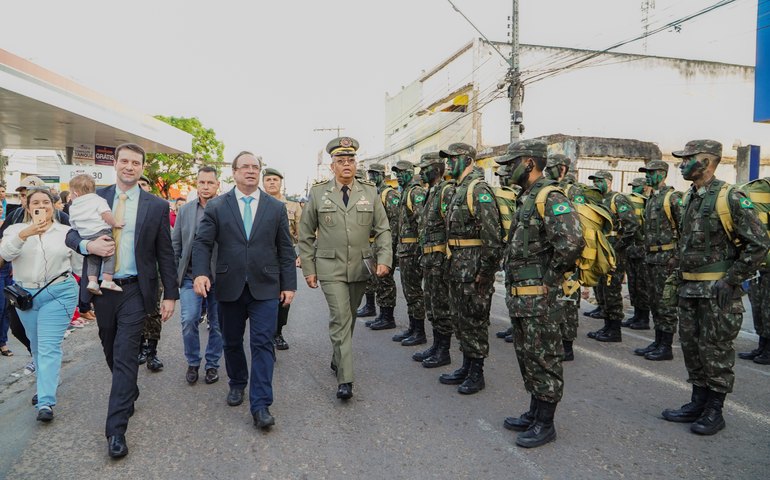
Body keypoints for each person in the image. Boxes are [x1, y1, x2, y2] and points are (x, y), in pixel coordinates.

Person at [65, 143, 178, 458]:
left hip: (135, 290)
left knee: (127, 353)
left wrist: (170, 294)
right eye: (124, 161)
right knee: (110, 347)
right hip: (101, 289)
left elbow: (165, 254)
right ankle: (128, 389)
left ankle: (115, 431)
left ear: (143, 167)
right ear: (114, 164)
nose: (130, 166)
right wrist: (89, 247)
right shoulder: (95, 197)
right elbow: (69, 234)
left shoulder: (156, 206)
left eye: (136, 162)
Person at [662, 139, 769, 435]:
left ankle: (714, 410)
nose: (682, 164)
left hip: (717, 292)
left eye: (687, 159)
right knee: (692, 348)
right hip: (689, 291)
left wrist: (732, 279)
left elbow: (758, 243)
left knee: (716, 350)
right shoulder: (688, 198)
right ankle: (697, 402)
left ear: (707, 162)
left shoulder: (731, 197)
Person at [192, 151, 296, 430]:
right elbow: (202, 243)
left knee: (263, 343)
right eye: (244, 167)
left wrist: (289, 284)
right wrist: (201, 272)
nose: (250, 171)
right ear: (234, 172)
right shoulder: (217, 206)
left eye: (255, 167)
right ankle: (237, 382)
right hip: (229, 286)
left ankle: (261, 403)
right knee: (231, 341)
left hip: (266, 287)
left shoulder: (275, 208)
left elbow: (285, 249)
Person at [496, 139, 584, 448]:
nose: (505, 169)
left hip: (540, 297)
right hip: (523, 295)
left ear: (529, 163)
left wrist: (550, 279)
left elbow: (572, 242)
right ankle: (535, 413)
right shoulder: (527, 197)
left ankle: (546, 423)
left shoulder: (550, 195)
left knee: (544, 357)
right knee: (528, 354)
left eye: (511, 163)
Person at [298, 137, 392, 401]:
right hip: (329, 266)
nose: (347, 165)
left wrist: (384, 258)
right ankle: (346, 379)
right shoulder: (318, 193)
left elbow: (383, 229)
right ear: (332, 166)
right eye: (341, 161)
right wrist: (308, 267)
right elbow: (305, 234)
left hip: (360, 266)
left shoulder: (370, 191)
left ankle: (338, 355)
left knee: (348, 317)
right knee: (341, 317)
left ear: (356, 163)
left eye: (351, 160)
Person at [0, 188, 80, 422]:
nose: (42, 206)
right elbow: (4, 256)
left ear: (54, 205)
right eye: (36, 202)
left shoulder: (66, 232)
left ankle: (45, 400)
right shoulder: (15, 230)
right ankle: (47, 380)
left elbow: (78, 266)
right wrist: (26, 234)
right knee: (36, 346)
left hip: (59, 293)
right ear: (27, 206)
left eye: (47, 202)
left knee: (47, 346)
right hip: (26, 296)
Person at [438, 143, 502, 395]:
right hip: (457, 266)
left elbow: (492, 237)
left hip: (473, 268)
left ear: (466, 160)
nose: (447, 164)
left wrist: (485, 273)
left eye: (452, 160)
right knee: (461, 319)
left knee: (475, 320)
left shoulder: (479, 190)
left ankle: (477, 373)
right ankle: (466, 366)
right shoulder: (458, 189)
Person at [172, 166, 223, 385]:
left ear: (217, 185)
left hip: (220, 278)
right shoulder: (185, 211)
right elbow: (176, 243)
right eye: (202, 182)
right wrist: (173, 275)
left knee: (218, 323)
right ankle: (193, 361)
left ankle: (212, 364)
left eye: (210, 183)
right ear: (197, 184)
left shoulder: (226, 208)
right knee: (189, 319)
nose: (205, 187)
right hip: (189, 276)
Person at [633, 160, 683, 361]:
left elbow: (684, 229)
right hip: (652, 257)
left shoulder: (673, 198)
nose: (647, 176)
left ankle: (666, 346)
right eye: (646, 172)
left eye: (651, 173)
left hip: (667, 259)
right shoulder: (652, 198)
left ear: (662, 174)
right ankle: (657, 341)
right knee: (654, 302)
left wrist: (677, 256)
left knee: (666, 304)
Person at [585, 170, 640, 343]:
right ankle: (607, 325)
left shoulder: (618, 199)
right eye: (594, 181)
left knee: (612, 288)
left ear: (608, 182)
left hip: (614, 251)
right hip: (601, 250)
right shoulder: (599, 200)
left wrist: (618, 246)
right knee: (602, 288)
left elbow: (632, 226)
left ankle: (614, 329)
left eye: (599, 181)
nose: (596, 184)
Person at [412, 152, 455, 368]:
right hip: (429, 258)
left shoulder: (446, 191)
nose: (421, 173)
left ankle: (444, 350)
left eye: (425, 168)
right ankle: (437, 345)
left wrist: (448, 258)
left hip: (440, 259)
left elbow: (451, 226)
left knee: (441, 306)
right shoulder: (431, 192)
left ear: (437, 170)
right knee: (432, 305)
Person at [543, 153, 583, 360]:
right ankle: (557, 340)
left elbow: (577, 226)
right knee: (557, 301)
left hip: (570, 259)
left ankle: (567, 346)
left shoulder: (571, 190)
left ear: (562, 169)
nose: (546, 170)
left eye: (551, 167)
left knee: (568, 301)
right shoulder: (549, 190)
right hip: (556, 256)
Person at [261, 167, 302, 351]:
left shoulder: (293, 207)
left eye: (275, 180)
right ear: (263, 183)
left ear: (280, 183)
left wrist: (300, 254)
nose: (271, 183)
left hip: (285, 256)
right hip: (262, 256)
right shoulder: (257, 203)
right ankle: (265, 333)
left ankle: (277, 332)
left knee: (284, 297)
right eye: (268, 179)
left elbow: (302, 232)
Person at [387, 160, 427, 345]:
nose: (399, 176)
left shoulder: (416, 192)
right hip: (405, 251)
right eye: (397, 173)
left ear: (411, 172)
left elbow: (422, 223)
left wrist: (421, 251)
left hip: (412, 251)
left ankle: (419, 331)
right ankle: (412, 327)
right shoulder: (405, 193)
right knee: (409, 292)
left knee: (415, 292)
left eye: (402, 172)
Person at [67, 174, 125, 295]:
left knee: (92, 259)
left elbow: (73, 225)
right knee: (109, 254)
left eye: (71, 193)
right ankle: (107, 280)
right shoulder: (98, 200)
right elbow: (106, 215)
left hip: (86, 235)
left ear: (76, 193)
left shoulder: (73, 206)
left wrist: (84, 234)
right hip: (102, 232)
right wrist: (115, 223)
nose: (70, 196)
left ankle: (92, 282)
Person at [362, 163, 399, 330]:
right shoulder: (374, 194)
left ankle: (388, 317)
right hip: (374, 243)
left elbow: (394, 222)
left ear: (382, 175)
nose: (371, 177)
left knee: (385, 281)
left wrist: (389, 247)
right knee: (376, 280)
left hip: (384, 244)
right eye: (369, 174)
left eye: (374, 174)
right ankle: (380, 314)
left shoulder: (389, 194)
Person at [622, 177, 651, 329]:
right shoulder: (629, 201)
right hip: (631, 248)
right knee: (633, 284)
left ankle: (644, 318)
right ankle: (637, 315)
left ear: (645, 188)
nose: (634, 189)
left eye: (637, 186)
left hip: (643, 249)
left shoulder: (648, 202)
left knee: (642, 285)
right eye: (633, 186)